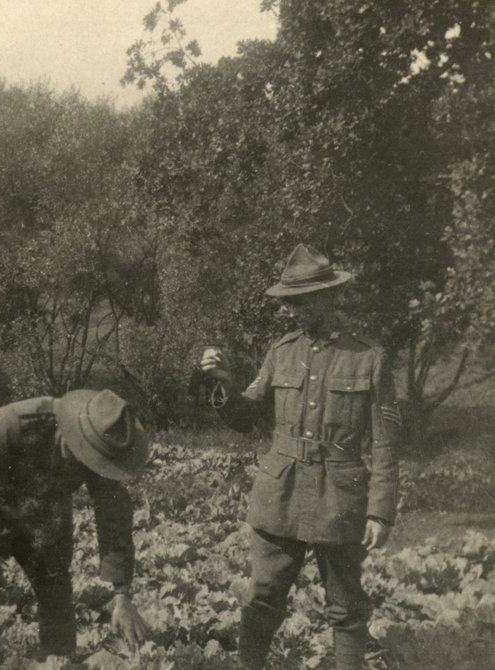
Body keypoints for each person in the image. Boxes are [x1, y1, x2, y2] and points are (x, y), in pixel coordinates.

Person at [199, 244, 401, 670]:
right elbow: (246, 418)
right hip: (281, 492)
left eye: (301, 300)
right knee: (263, 595)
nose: (292, 310)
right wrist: (220, 385)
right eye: (288, 302)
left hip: (340, 498)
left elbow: (385, 443)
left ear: (330, 297)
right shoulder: (281, 351)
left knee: (346, 606)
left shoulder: (368, 358)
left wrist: (380, 512)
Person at [0, 388, 152, 669]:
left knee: (56, 588)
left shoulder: (103, 442)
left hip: (41, 506)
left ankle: (58, 662)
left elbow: (113, 515)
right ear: (71, 436)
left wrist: (122, 594)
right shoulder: (13, 423)